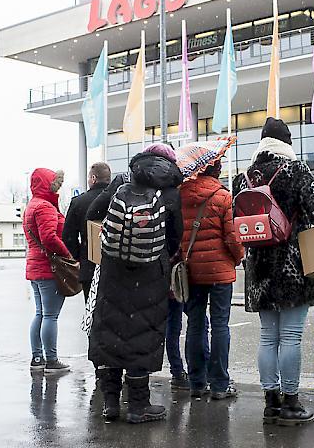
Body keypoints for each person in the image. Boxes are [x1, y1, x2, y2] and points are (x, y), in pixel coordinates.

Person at [233, 117, 314, 426]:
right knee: (291, 336)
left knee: (268, 336)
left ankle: (270, 402)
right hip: (292, 267)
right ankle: (291, 401)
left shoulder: (243, 178)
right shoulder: (295, 171)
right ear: (287, 143)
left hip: (258, 269)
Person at [86, 144, 183, 424]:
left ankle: (111, 404)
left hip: (113, 271)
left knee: (111, 334)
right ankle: (139, 406)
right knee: (143, 333)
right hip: (151, 273)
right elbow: (177, 236)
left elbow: (92, 212)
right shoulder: (171, 192)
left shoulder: (120, 182)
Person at [180, 160, 244, 400]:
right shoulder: (223, 196)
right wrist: (238, 257)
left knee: (195, 325)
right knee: (219, 325)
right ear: (216, 171)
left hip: (192, 271)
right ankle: (219, 384)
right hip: (220, 271)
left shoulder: (181, 195)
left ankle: (196, 381)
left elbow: (177, 234)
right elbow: (232, 237)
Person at [24, 168, 72, 373]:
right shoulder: (45, 207)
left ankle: (37, 357)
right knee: (50, 315)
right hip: (48, 267)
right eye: (55, 184)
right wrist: (68, 255)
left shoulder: (31, 205)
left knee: (40, 313)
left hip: (35, 266)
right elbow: (49, 238)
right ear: (47, 185)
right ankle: (51, 360)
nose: (58, 187)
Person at [62, 162, 111, 302]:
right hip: (116, 268)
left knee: (92, 311)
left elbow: (67, 236)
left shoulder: (78, 202)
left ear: (93, 178)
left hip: (89, 266)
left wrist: (80, 255)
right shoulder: (119, 199)